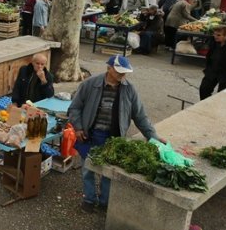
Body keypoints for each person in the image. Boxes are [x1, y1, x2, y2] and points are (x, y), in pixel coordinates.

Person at [68, 55, 160, 212]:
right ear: (109, 68)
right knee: (87, 169)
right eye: (119, 72)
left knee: (109, 172)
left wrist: (153, 138)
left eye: (124, 73)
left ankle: (105, 202)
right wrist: (78, 128)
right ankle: (89, 199)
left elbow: (140, 116)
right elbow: (75, 108)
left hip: (114, 138)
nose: (122, 75)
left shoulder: (129, 89)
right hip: (90, 134)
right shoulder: (90, 84)